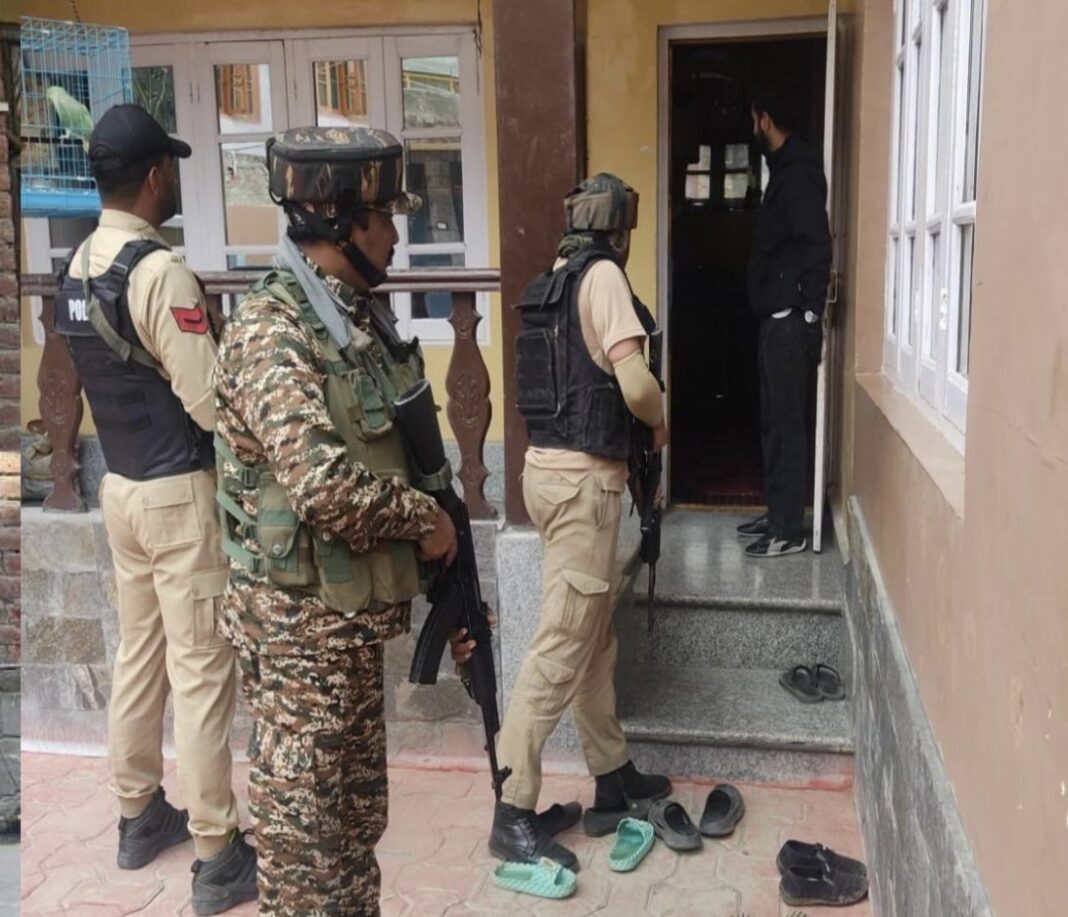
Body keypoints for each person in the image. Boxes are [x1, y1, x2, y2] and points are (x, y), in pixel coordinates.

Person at [213, 126, 458, 916]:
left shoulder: (350, 319)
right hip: (296, 637)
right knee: (304, 852)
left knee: (353, 832)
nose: (395, 234)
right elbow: (321, 486)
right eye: (383, 217)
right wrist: (423, 518)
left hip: (343, 632)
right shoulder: (273, 328)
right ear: (338, 223)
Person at [53, 104, 255, 915]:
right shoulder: (158, 271)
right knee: (202, 667)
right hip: (178, 492)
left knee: (141, 652)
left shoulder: (76, 265)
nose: (172, 180)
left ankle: (138, 813)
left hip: (122, 486)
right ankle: (216, 851)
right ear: (152, 176)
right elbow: (208, 402)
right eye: (167, 168)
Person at [481, 173, 671, 870]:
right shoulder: (604, 278)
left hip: (545, 473)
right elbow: (636, 384)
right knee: (564, 641)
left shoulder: (553, 282)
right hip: (585, 483)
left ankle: (612, 775)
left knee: (591, 638)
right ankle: (513, 807)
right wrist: (660, 418)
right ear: (618, 229)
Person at [741, 90, 832, 557]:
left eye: (753, 118)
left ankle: (789, 530)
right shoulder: (783, 168)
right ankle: (778, 512)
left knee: (788, 427)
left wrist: (808, 312)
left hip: (790, 324)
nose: (751, 126)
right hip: (776, 321)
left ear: (765, 118)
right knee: (773, 424)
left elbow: (817, 244)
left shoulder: (798, 173)